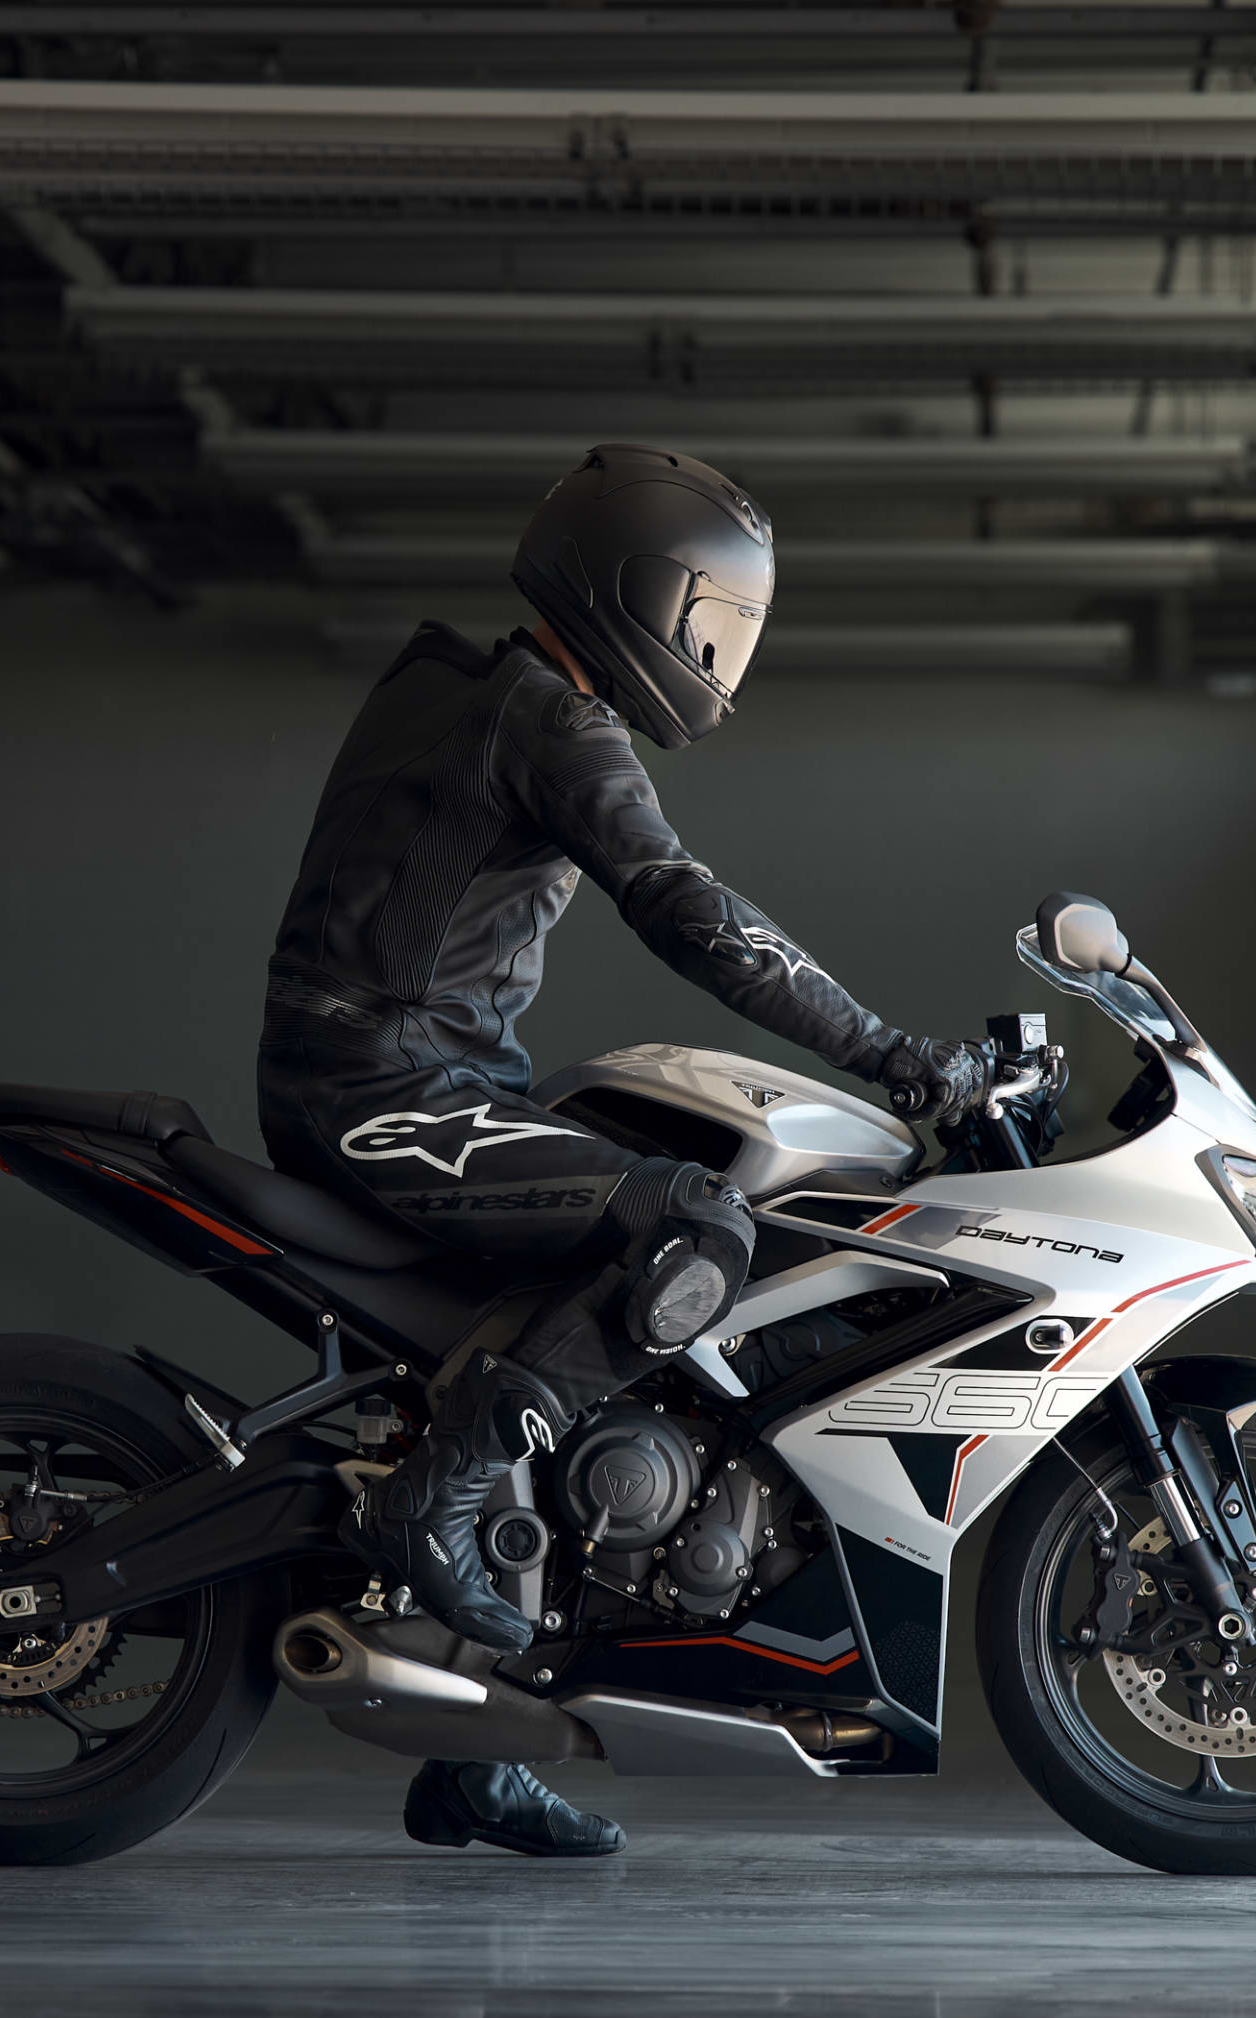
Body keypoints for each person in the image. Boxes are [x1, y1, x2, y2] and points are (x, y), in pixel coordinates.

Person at [256, 444, 992, 1859]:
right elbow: (690, 910)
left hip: (393, 1072)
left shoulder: (468, 686)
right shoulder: (548, 719)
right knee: (696, 1222)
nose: (718, 651)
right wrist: (897, 1054)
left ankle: (476, 1751)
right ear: (634, 587)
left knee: (599, 1290)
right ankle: (431, 1503)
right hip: (380, 1088)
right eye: (711, 614)